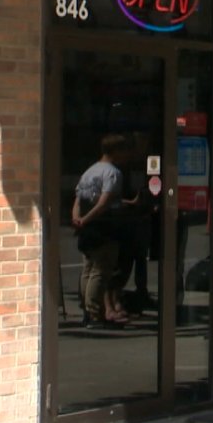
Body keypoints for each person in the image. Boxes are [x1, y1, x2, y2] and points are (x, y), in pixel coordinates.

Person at [72, 133, 136, 328]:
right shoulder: (113, 173)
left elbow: (78, 199)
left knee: (88, 269)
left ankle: (86, 310)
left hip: (87, 228)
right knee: (100, 271)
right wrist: (88, 218)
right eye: (125, 151)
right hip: (104, 226)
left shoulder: (90, 171)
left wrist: (78, 219)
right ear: (116, 151)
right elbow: (104, 201)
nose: (127, 155)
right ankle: (94, 314)